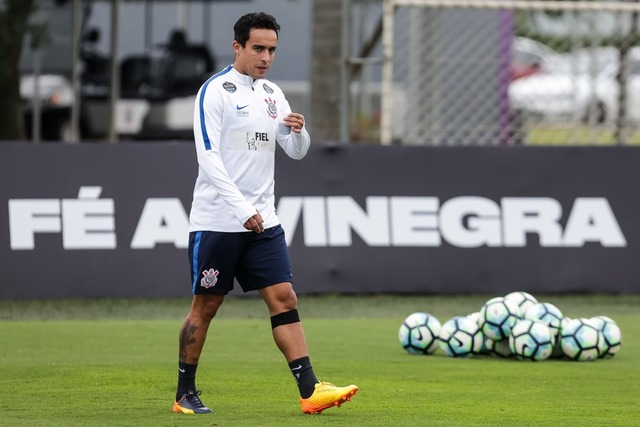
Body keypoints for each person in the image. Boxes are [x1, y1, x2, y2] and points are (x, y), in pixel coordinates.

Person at [172, 12, 358, 415]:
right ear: (237, 46)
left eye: (272, 49)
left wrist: (298, 131)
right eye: (258, 48)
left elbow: (295, 151)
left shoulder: (273, 93)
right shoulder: (215, 91)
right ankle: (184, 393)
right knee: (206, 307)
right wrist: (240, 209)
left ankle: (310, 391)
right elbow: (208, 157)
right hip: (219, 220)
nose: (266, 57)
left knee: (284, 296)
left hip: (263, 220)